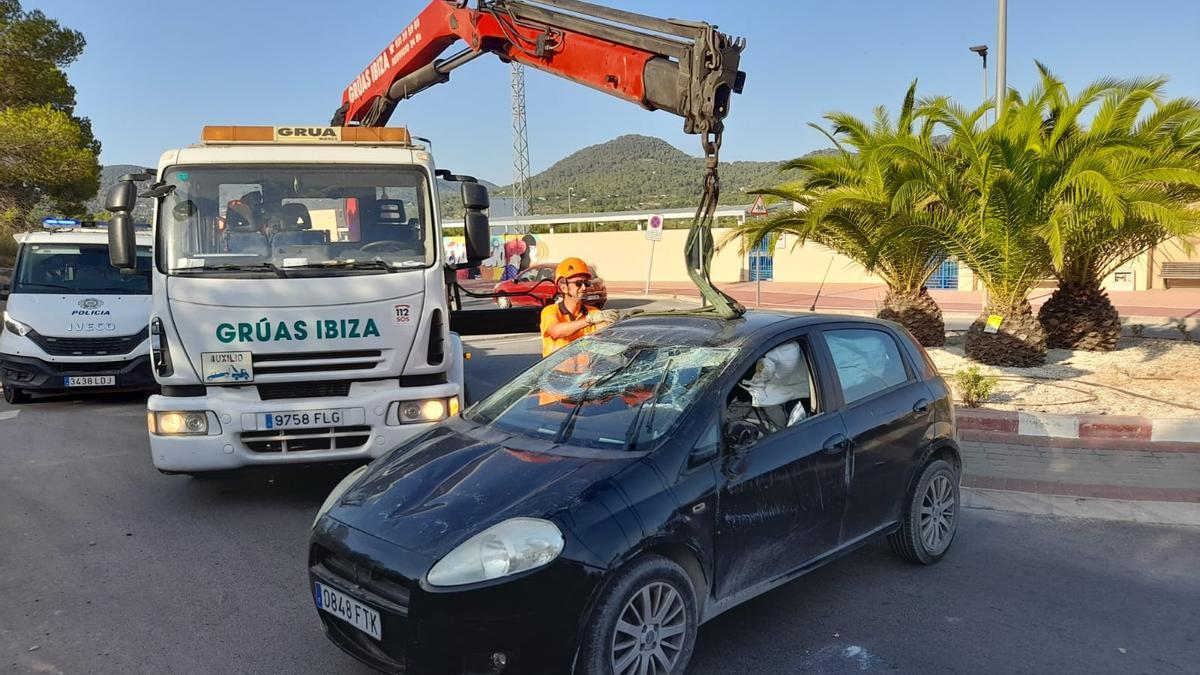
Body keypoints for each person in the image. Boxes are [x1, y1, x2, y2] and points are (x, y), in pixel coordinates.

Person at [539, 257, 617, 357]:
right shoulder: (551, 311)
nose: (584, 287)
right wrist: (588, 320)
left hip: (585, 372)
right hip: (556, 372)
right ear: (564, 288)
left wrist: (621, 322)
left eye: (586, 283)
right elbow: (556, 331)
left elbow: (605, 332)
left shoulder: (593, 312)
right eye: (578, 284)